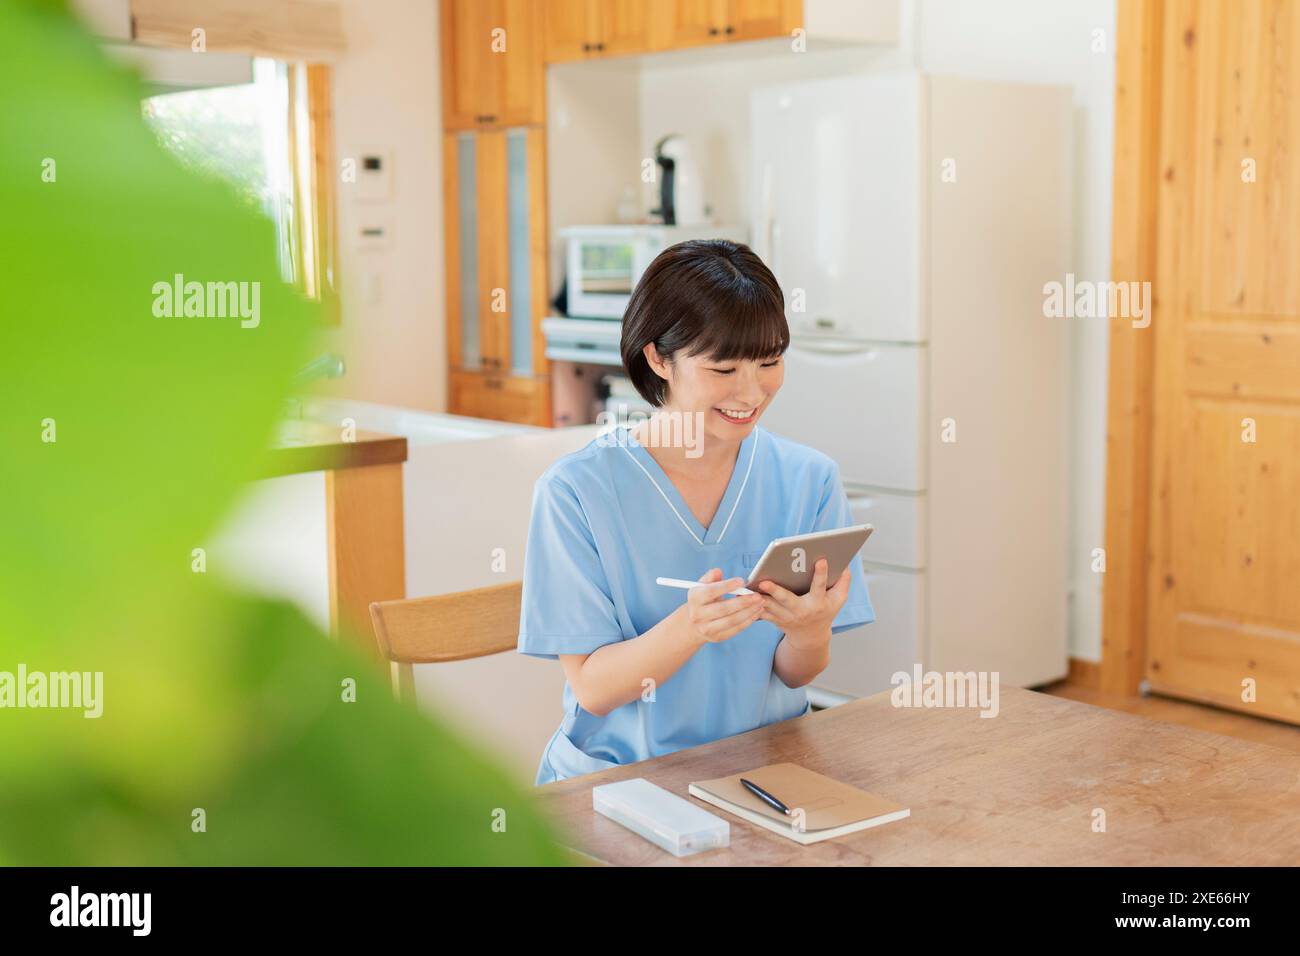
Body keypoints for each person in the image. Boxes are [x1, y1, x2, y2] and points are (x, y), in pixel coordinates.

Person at [518, 238, 875, 785]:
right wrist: (691, 627)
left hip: (765, 771)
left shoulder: (810, 479)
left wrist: (809, 632)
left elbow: (795, 673)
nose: (752, 391)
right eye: (724, 368)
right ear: (659, 357)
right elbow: (594, 688)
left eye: (770, 362)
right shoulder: (577, 492)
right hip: (623, 781)